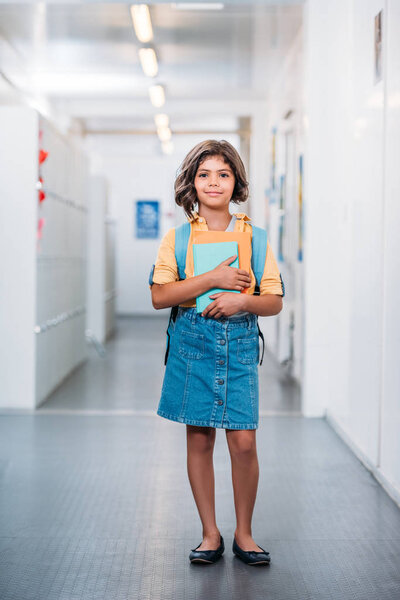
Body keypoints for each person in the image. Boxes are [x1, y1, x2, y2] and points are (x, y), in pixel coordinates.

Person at [149, 139, 284, 566]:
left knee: (243, 443)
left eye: (223, 174)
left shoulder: (256, 238)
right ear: (191, 183)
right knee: (200, 438)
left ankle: (244, 533)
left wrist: (243, 300)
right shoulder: (178, 238)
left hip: (240, 343)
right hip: (194, 342)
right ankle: (210, 534)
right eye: (204, 174)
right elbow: (159, 295)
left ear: (235, 183)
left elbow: (275, 301)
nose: (213, 182)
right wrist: (213, 278)